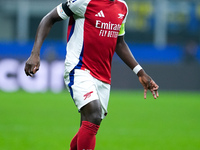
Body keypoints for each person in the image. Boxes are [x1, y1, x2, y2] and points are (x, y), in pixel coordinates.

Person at [24, 0, 159, 149]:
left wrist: (140, 72)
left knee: (89, 124)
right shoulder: (83, 2)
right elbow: (49, 19)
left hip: (103, 76)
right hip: (79, 67)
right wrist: (35, 54)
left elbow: (119, 43)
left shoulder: (122, 7)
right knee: (93, 115)